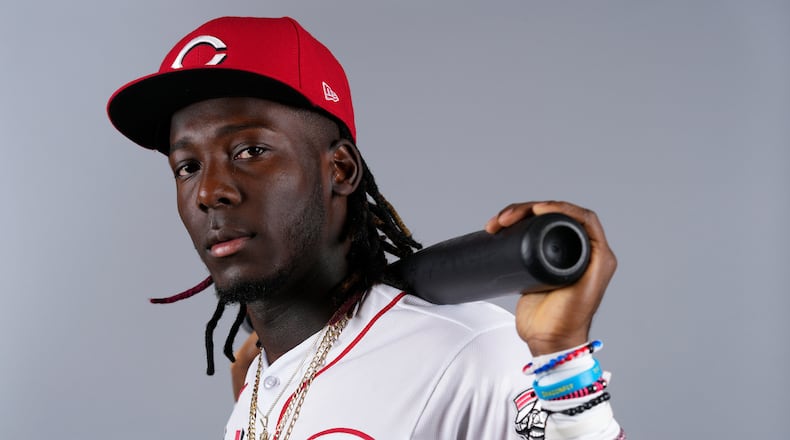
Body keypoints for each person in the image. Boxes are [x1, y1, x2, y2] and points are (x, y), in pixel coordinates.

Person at [107, 16, 624, 440]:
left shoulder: (469, 354)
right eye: (187, 167)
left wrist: (562, 361)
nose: (208, 192)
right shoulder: (258, 392)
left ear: (341, 171)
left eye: (250, 151)